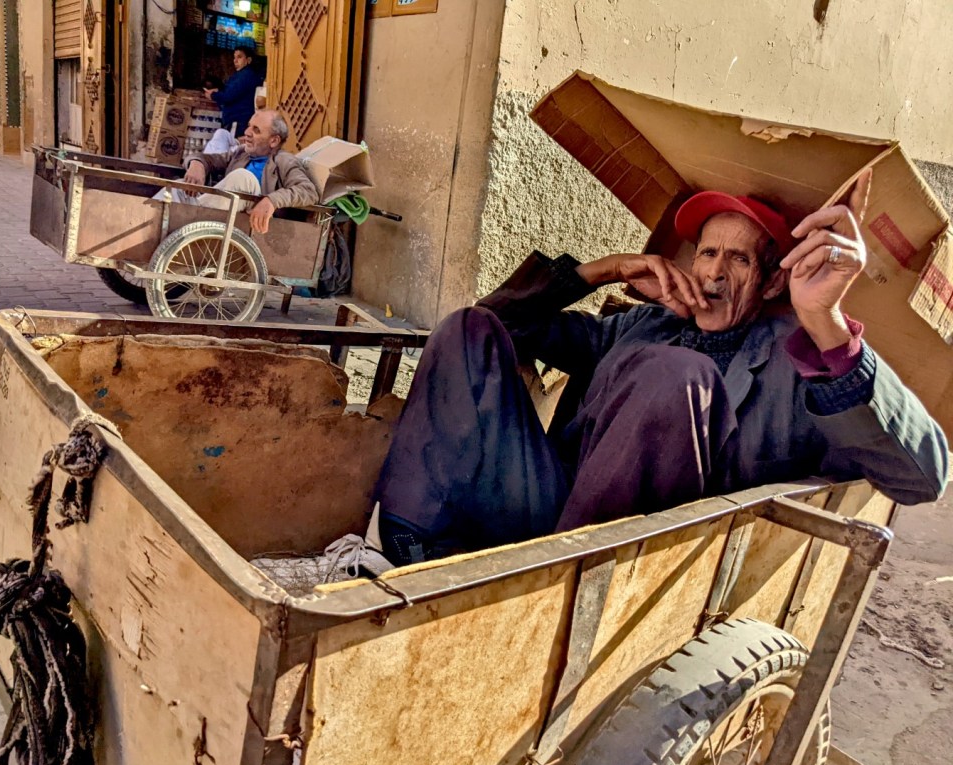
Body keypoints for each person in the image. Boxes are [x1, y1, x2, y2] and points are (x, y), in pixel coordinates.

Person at [372, 175, 949, 566]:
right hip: (548, 504)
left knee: (676, 374)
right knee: (467, 327)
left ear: (773, 281)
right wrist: (604, 272)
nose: (714, 273)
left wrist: (824, 320)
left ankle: (552, 584)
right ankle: (399, 551)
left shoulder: (798, 356)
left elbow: (924, 478)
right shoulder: (646, 324)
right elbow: (501, 322)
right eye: (707, 252)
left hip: (637, 558)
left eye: (739, 258)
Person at [168, 109, 319, 234]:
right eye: (249, 126)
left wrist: (272, 200)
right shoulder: (242, 153)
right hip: (224, 216)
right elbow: (211, 159)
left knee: (243, 177)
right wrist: (197, 164)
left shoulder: (285, 161)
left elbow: (309, 191)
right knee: (178, 187)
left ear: (274, 141)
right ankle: (158, 231)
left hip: (253, 225)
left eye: (256, 130)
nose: (247, 132)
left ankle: (189, 222)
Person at [204, 46, 262, 137]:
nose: (235, 61)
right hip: (239, 120)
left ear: (248, 60)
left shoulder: (245, 75)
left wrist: (213, 95)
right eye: (234, 57)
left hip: (238, 120)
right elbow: (232, 90)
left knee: (233, 144)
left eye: (239, 57)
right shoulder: (243, 75)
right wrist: (219, 91)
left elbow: (229, 95)